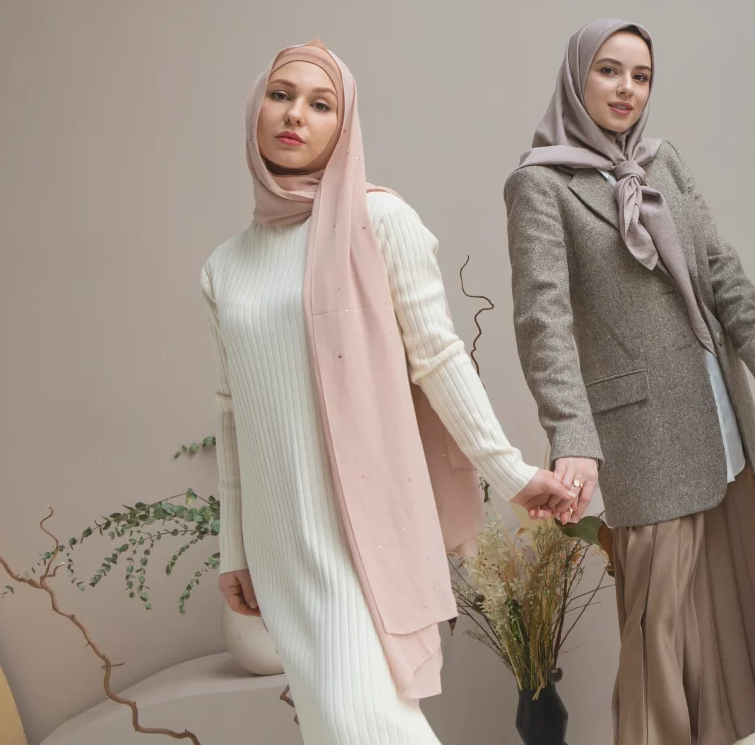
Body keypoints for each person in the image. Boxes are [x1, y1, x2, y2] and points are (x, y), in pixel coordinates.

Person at [202, 39, 572, 745]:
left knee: (367, 727)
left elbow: (439, 357)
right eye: (281, 95)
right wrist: (234, 551)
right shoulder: (224, 267)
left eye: (321, 104)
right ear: (256, 110)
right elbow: (231, 415)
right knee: (331, 730)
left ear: (345, 126)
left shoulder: (381, 222)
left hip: (359, 533)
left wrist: (511, 472)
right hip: (280, 547)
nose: (296, 114)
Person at [504, 19, 755, 745]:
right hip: (642, 432)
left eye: (641, 76)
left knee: (723, 618)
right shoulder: (540, 185)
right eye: (609, 70)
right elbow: (543, 324)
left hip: (720, 414)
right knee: (658, 629)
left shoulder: (661, 161)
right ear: (577, 76)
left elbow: (718, 266)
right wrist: (572, 437)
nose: (627, 89)